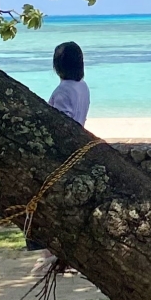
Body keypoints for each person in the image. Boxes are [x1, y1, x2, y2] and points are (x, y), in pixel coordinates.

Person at [27, 42, 89, 256]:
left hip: (61, 154)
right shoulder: (83, 87)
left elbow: (63, 124)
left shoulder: (63, 90)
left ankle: (43, 245)